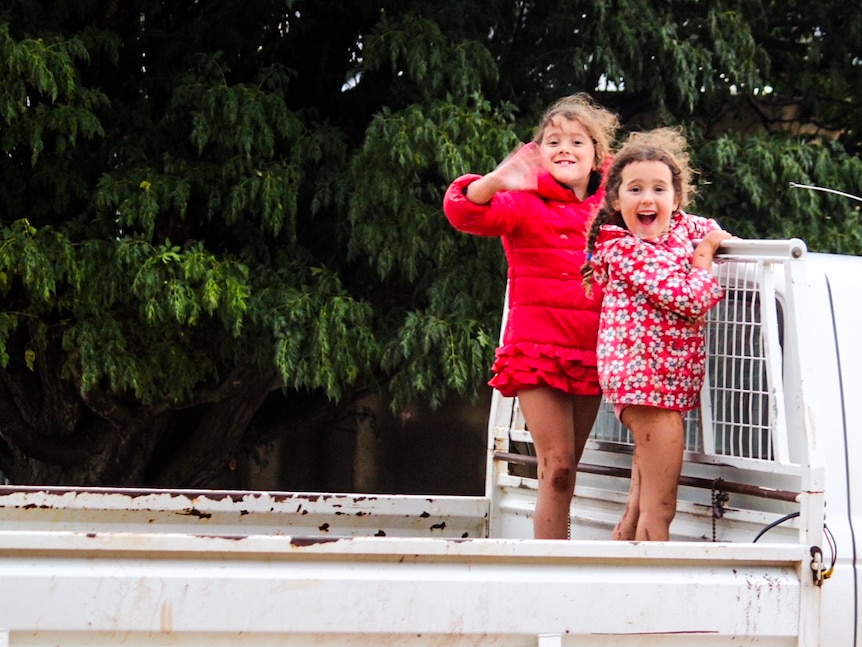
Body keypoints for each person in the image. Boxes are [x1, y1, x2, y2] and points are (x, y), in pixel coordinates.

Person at [443, 93, 620, 539]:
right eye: (553, 140)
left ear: (597, 154)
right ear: (538, 153)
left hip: (589, 352)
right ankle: (549, 572)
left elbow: (665, 219)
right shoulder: (523, 201)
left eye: (577, 141)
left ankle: (558, 567)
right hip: (537, 350)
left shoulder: (613, 207)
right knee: (556, 468)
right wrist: (497, 180)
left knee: (568, 472)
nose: (564, 148)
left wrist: (711, 236)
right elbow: (465, 211)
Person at [581, 127, 733, 541]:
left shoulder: (681, 227)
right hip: (645, 385)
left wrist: (714, 239)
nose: (648, 199)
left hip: (666, 386)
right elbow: (688, 298)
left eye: (659, 189)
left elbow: (714, 229)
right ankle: (653, 596)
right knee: (660, 507)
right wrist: (705, 254)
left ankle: (616, 588)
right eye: (635, 189)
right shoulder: (624, 247)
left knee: (637, 508)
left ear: (676, 199)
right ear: (616, 200)